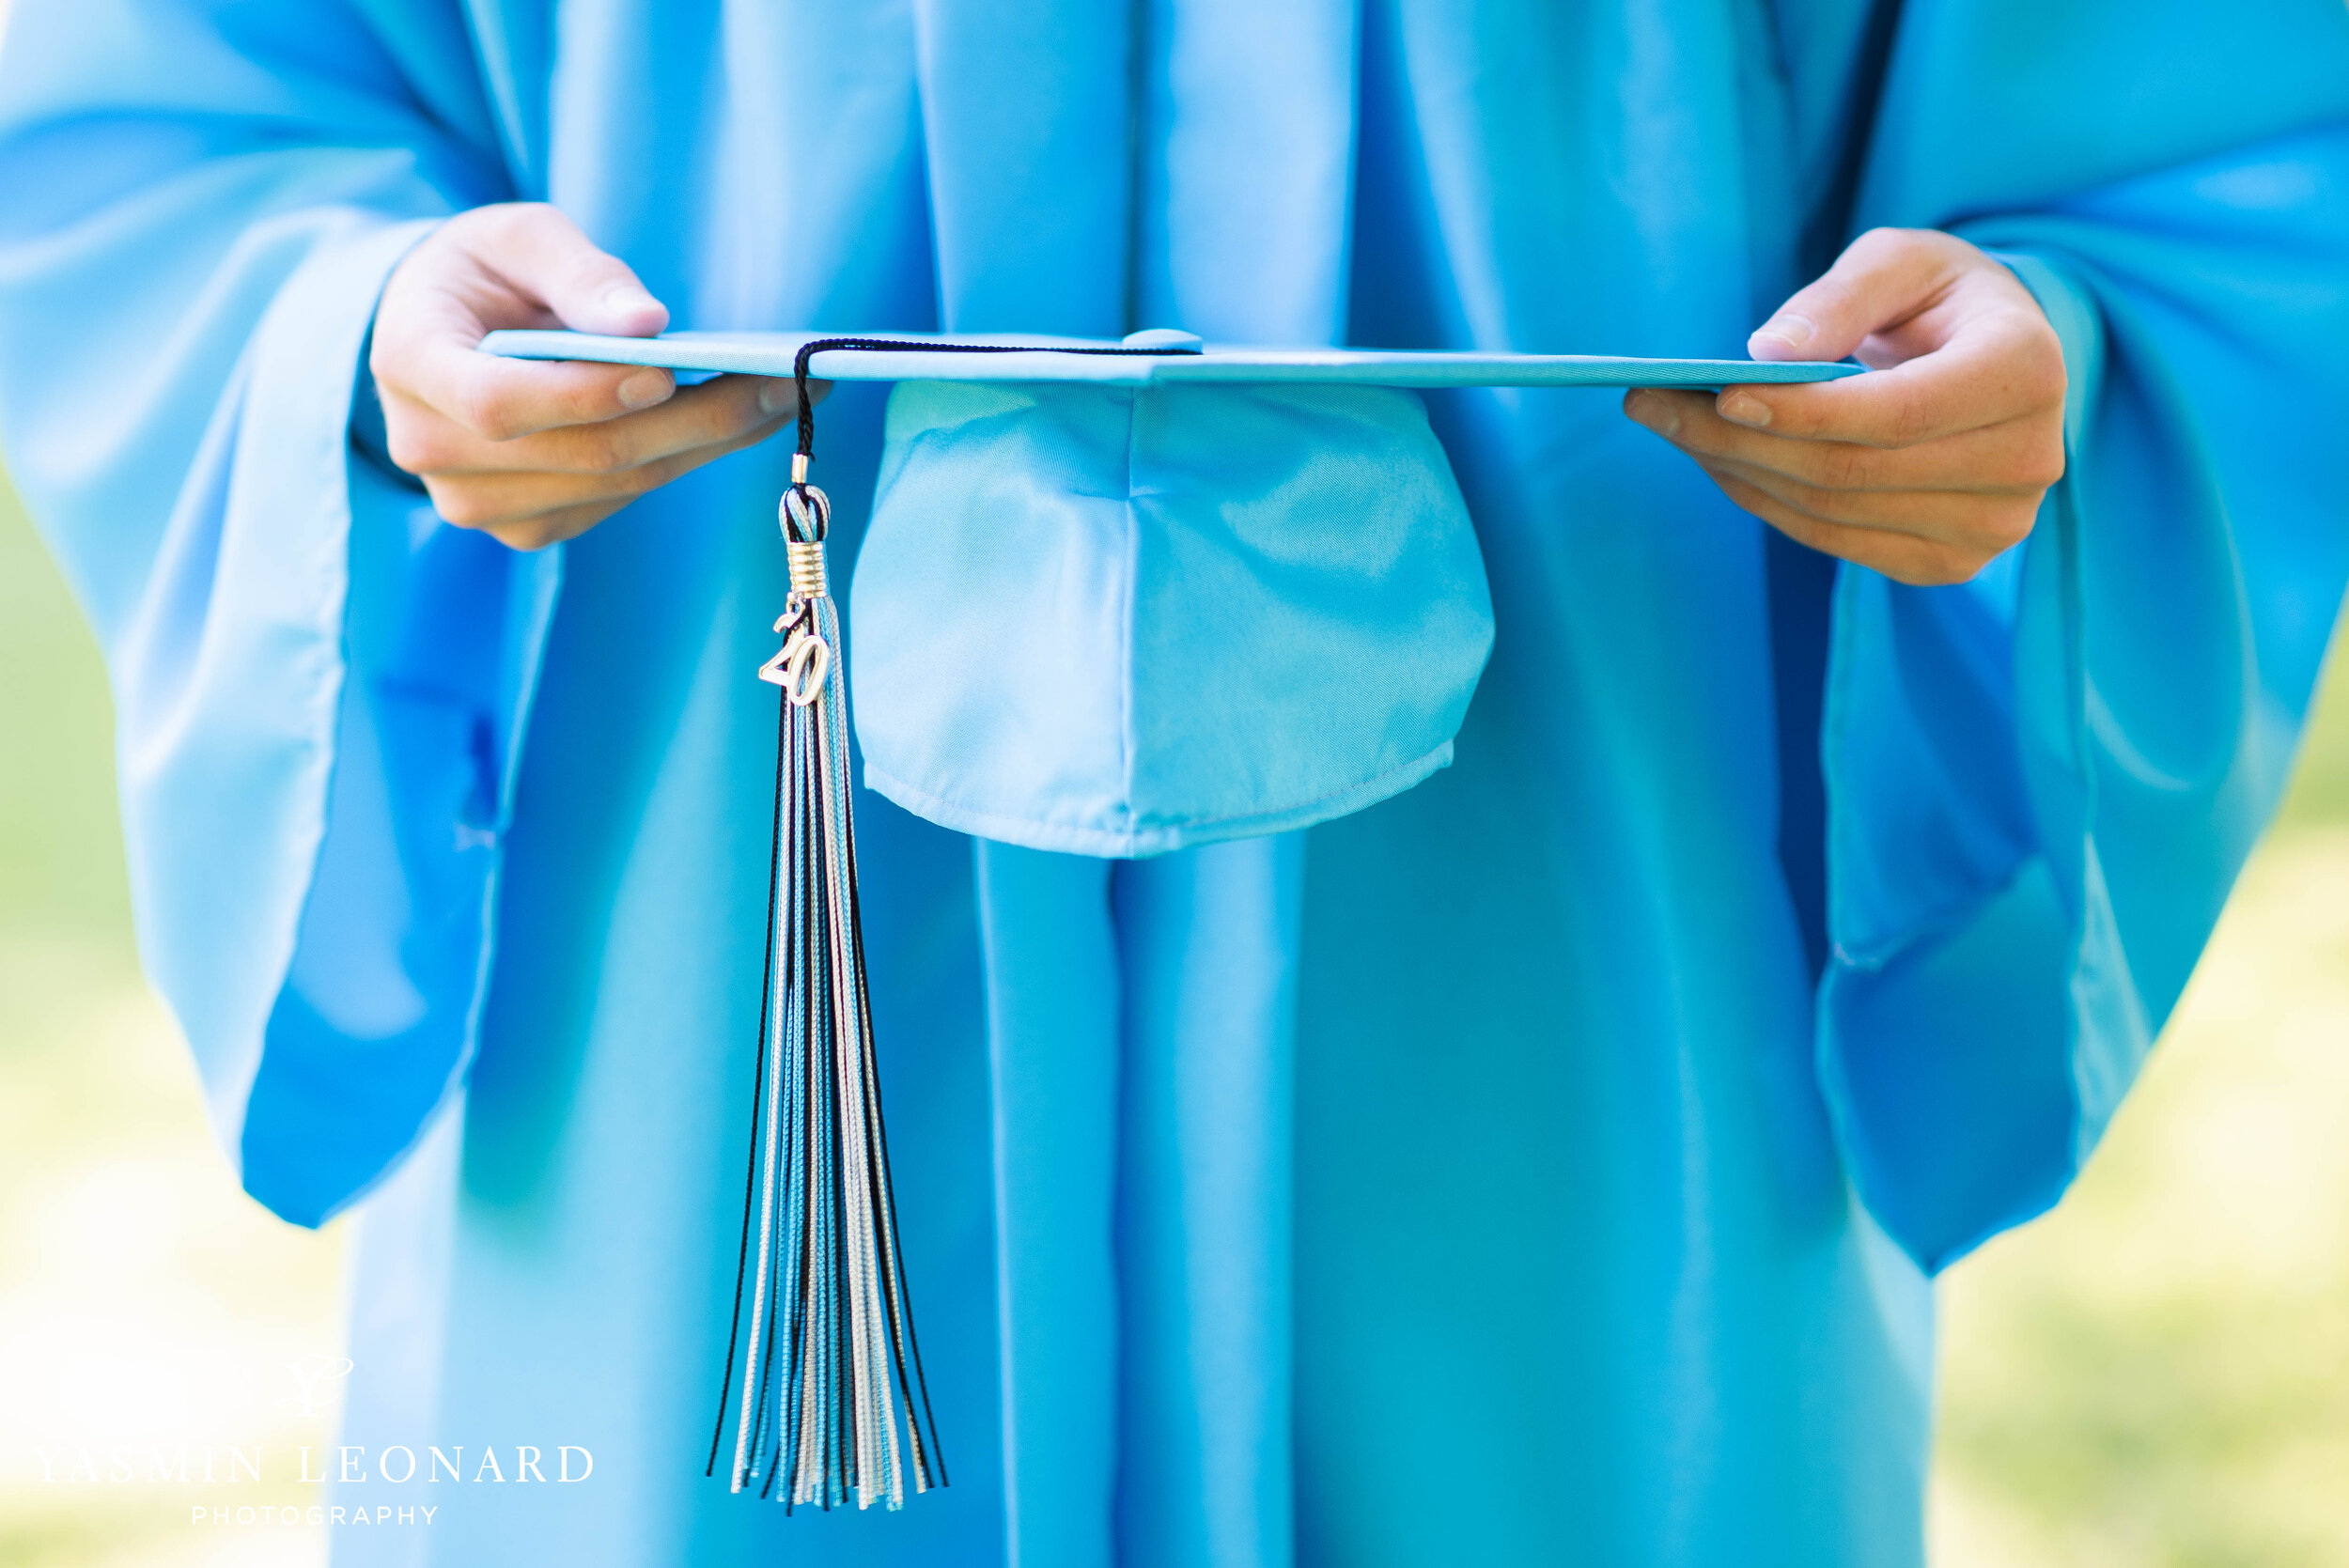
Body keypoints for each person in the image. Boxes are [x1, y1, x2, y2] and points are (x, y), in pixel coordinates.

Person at [2, 3, 2345, 1564]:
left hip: (1570, 943)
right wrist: (353, 330)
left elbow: (2211, 138)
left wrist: (2056, 351)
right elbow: (172, 108)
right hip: (706, 861)